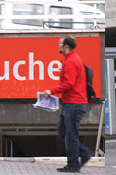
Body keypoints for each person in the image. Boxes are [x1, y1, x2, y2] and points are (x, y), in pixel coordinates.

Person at [43, 36, 93, 173]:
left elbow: (69, 83)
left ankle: (73, 164)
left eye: (60, 44)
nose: (58, 46)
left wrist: (51, 91)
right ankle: (84, 154)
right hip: (72, 103)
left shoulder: (71, 61)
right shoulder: (73, 58)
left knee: (71, 135)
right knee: (64, 131)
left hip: (74, 103)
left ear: (66, 46)